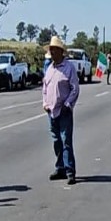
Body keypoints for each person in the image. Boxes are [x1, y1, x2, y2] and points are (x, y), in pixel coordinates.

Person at [42, 36, 81, 184]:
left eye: (53, 50)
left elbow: (75, 89)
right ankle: (60, 168)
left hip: (64, 111)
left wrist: (68, 104)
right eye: (50, 50)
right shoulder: (50, 68)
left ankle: (70, 170)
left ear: (60, 51)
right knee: (56, 141)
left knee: (66, 141)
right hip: (51, 111)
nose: (51, 52)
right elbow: (45, 88)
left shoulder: (68, 68)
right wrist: (45, 103)